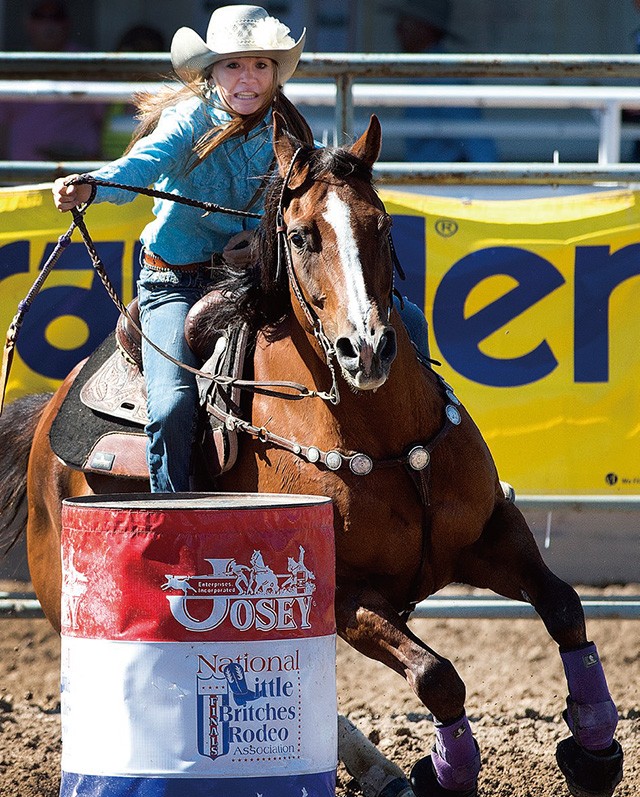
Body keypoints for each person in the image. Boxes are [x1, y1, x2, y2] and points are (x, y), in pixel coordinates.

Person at [53, 5, 431, 494]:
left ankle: (425, 466)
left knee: (412, 323)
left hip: (258, 278)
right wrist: (91, 186)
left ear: (275, 74)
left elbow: (298, 215)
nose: (246, 78)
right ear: (212, 71)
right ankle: (174, 514)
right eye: (233, 65)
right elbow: (139, 169)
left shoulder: (291, 132)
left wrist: (261, 243)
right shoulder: (187, 122)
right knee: (171, 406)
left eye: (260, 66)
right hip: (176, 281)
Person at [388, 0, 499, 162]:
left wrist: (491, 179)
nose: (398, 30)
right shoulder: (426, 69)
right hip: (427, 178)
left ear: (425, 28)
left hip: (440, 179)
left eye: (406, 21)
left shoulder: (442, 74)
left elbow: (473, 134)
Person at [0, 1, 105, 160]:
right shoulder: (15, 64)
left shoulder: (87, 63)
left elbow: (103, 121)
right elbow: (3, 125)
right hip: (23, 173)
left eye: (56, 17)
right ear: (28, 23)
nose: (49, 24)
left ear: (67, 23)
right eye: (40, 17)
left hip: (76, 172)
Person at [101, 25, 167, 160]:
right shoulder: (108, 96)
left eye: (144, 53)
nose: (135, 67)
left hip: (148, 175)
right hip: (108, 174)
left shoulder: (166, 98)